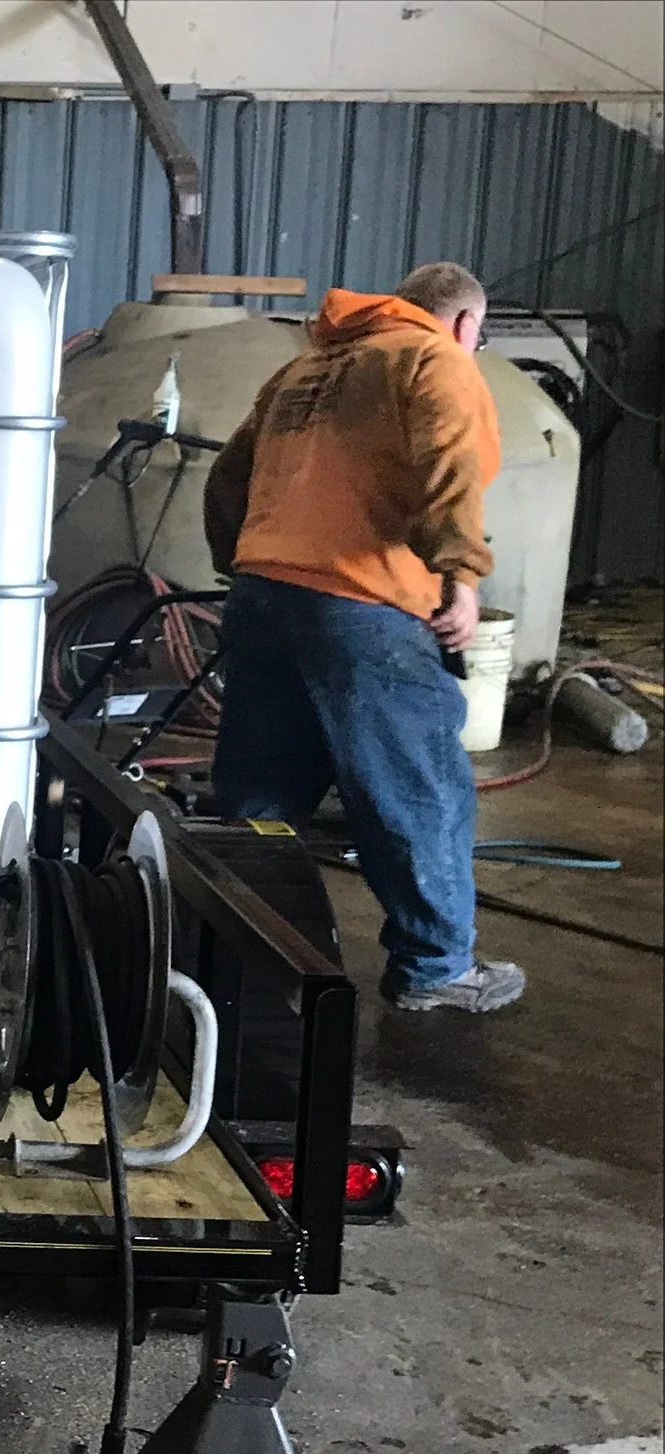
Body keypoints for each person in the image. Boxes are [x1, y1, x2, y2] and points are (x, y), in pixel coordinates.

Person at [202, 261, 525, 1013]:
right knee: (417, 787)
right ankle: (436, 967)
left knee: (261, 792)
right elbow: (452, 464)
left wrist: (250, 568)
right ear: (465, 323)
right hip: (361, 603)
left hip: (263, 593)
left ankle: (253, 956)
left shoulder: (304, 369)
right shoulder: (432, 358)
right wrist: (463, 577)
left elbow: (227, 481)